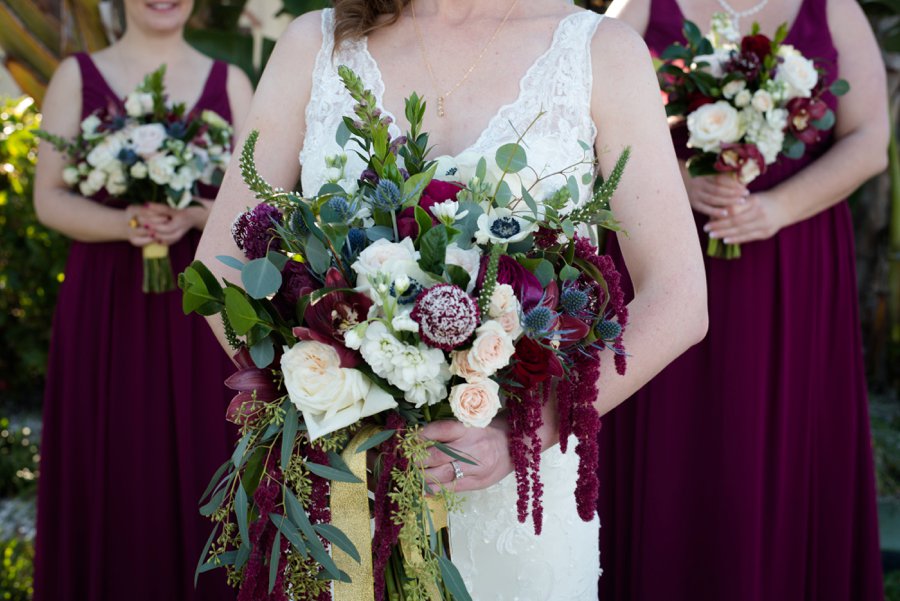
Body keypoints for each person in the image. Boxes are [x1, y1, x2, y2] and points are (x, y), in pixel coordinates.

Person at [197, 0, 707, 597]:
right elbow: (220, 269)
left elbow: (678, 298)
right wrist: (323, 403)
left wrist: (522, 435)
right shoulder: (314, 44)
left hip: (513, 500)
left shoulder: (599, 51)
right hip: (341, 483)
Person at [596, 0, 888, 598]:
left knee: (777, 443)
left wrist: (777, 208)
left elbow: (870, 139)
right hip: (660, 251)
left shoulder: (833, 8)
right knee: (670, 442)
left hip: (791, 259)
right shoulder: (642, 4)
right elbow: (578, 117)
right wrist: (678, 176)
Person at [32, 0, 253, 598]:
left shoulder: (229, 82)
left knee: (205, 449)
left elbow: (256, 206)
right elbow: (48, 198)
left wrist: (192, 216)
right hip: (105, 300)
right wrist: (129, 221)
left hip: (201, 301)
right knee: (112, 452)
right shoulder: (77, 76)